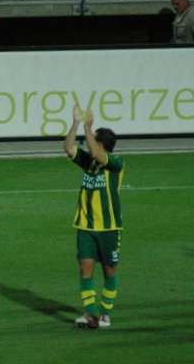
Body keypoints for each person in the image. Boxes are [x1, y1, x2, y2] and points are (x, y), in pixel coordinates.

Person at [63, 104, 124, 329]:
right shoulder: (88, 163)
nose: (86, 143)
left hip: (109, 228)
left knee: (109, 270)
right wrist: (77, 123)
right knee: (85, 267)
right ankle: (90, 314)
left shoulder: (116, 164)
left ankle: (105, 313)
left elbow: (98, 153)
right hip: (86, 227)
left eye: (91, 139)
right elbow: (68, 147)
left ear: (100, 144)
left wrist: (88, 127)